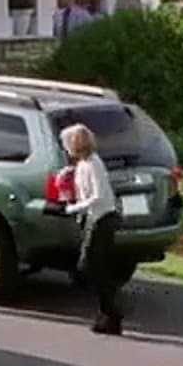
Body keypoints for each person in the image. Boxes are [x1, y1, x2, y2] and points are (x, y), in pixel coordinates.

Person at [60, 123, 124, 335]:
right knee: (94, 268)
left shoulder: (93, 164)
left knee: (90, 266)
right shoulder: (83, 164)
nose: (65, 147)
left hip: (103, 218)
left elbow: (98, 196)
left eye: (67, 143)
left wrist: (74, 208)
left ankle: (111, 311)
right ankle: (108, 314)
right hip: (93, 219)